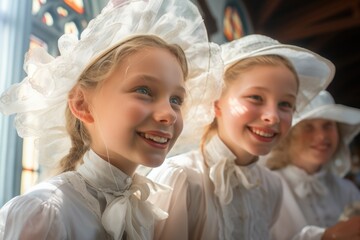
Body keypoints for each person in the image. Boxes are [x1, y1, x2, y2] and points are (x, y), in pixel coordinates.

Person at [0, 0, 222, 239]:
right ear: (82, 104)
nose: (168, 113)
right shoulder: (47, 213)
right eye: (144, 91)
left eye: (176, 100)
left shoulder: (143, 212)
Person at [147, 34, 335, 240]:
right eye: (256, 97)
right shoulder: (181, 178)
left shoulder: (271, 186)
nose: (272, 117)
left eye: (285, 104)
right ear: (216, 102)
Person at [266, 90, 360, 240]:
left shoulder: (347, 190)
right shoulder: (267, 187)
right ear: (288, 136)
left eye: (328, 125)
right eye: (308, 127)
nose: (321, 136)